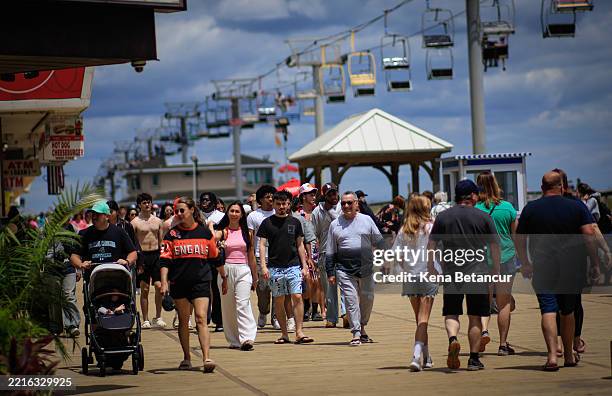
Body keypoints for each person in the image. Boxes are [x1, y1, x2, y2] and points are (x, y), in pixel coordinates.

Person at [516, 171, 601, 371]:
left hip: (543, 266)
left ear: (543, 186)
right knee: (567, 311)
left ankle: (552, 356)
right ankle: (569, 355)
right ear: (561, 186)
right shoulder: (576, 206)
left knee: (548, 310)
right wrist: (595, 263)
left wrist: (526, 262)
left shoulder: (531, 208)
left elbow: (519, 238)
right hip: (573, 267)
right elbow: (589, 234)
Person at [427, 180, 501, 371]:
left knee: (452, 312)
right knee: (475, 316)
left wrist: (431, 267)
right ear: (472, 196)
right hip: (478, 271)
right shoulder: (483, 216)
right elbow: (494, 246)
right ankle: (474, 359)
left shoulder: (443, 217)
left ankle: (453, 339)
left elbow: (432, 245)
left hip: (451, 271)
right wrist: (496, 269)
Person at [160, 197, 218, 373]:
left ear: (192, 210)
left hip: (201, 280)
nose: (178, 213)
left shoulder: (204, 233)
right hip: (179, 282)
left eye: (181, 210)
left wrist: (223, 277)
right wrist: (164, 282)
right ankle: (187, 357)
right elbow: (164, 261)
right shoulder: (171, 234)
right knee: (184, 320)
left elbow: (214, 257)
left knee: (201, 318)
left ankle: (207, 357)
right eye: (176, 211)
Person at [326, 191, 384, 346]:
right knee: (351, 302)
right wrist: (330, 272)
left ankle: (363, 327)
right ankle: (356, 333)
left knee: (368, 299)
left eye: (349, 203)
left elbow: (379, 241)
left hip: (366, 268)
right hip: (344, 270)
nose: (346, 206)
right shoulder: (335, 224)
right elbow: (330, 251)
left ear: (357, 204)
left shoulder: (367, 220)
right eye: (343, 203)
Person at [257, 190, 313, 344]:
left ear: (289, 204)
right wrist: (263, 266)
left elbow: (300, 245)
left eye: (284, 204)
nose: (281, 206)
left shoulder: (295, 222)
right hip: (275, 267)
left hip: (293, 265)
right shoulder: (267, 223)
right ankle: (284, 334)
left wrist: (304, 265)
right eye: (278, 204)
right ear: (273, 204)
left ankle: (299, 332)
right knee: (279, 300)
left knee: (297, 296)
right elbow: (262, 245)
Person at [391, 195, 437, 370]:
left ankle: (427, 357)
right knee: (423, 320)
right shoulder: (431, 227)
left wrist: (408, 267)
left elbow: (397, 255)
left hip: (410, 277)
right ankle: (416, 355)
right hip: (427, 276)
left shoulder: (404, 229)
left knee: (419, 319)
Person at [474, 171, 518, 356]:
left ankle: (484, 330)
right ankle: (502, 344)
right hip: (505, 258)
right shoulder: (508, 208)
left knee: (485, 300)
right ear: (496, 185)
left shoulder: (474, 209)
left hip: (481, 260)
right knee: (504, 302)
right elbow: (515, 236)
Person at [212, 202, 258, 351]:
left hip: (244, 270)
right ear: (227, 213)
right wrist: (210, 226)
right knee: (228, 306)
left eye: (237, 211)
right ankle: (234, 340)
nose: (234, 214)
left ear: (242, 215)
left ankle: (247, 338)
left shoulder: (247, 233)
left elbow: (251, 256)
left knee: (242, 303)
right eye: (231, 211)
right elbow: (212, 240)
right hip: (226, 271)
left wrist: (255, 277)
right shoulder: (223, 231)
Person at [312, 183, 348, 328]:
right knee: (329, 288)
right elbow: (314, 234)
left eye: (335, 193)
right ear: (324, 196)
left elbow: (343, 225)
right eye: (330, 194)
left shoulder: (342, 207)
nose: (334, 197)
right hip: (325, 252)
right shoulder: (317, 211)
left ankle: (346, 314)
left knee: (346, 284)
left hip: (343, 250)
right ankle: (332, 318)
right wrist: (313, 256)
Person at [69, 201, 138, 273]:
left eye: (98, 214)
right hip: (93, 278)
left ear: (107, 216)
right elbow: (74, 256)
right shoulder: (84, 233)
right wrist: (81, 264)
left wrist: (127, 261)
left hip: (116, 277)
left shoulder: (119, 232)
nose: (94, 217)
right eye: (93, 214)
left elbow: (133, 253)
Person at [131, 193, 165, 329]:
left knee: (158, 287)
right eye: (144, 202)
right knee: (144, 289)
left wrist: (163, 256)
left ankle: (158, 316)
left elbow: (161, 240)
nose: (147, 204)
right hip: (143, 256)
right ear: (139, 205)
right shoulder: (135, 222)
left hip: (156, 255)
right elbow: (133, 242)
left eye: (149, 202)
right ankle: (145, 319)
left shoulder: (158, 221)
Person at [247, 185, 279, 329]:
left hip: (278, 256)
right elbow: (250, 238)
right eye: (267, 196)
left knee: (278, 288)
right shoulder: (254, 216)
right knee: (263, 288)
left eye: (272, 196)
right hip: (260, 257)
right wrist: (250, 257)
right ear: (260, 199)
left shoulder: (279, 213)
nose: (270, 198)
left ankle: (276, 317)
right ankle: (263, 311)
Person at [296, 183, 324, 322]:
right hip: (302, 249)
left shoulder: (318, 212)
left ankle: (315, 309)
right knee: (306, 279)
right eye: (310, 194)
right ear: (303, 196)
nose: (313, 196)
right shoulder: (297, 214)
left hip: (317, 249)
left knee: (317, 280)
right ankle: (306, 307)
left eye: (314, 194)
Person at [199, 192, 225, 332]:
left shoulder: (221, 217)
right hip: (200, 257)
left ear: (214, 203)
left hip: (216, 255)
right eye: (202, 200)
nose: (204, 202)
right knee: (202, 289)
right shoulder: (196, 217)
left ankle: (219, 320)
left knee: (216, 288)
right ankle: (203, 319)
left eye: (207, 200)